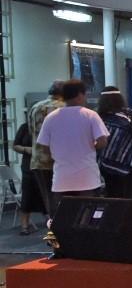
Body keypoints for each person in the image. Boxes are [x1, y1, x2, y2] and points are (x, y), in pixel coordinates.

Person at [35, 79, 108, 217]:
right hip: (87, 177)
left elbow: (43, 146)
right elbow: (102, 141)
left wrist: (59, 153)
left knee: (63, 217)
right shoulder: (90, 115)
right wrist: (91, 146)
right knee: (87, 216)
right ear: (80, 95)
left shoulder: (51, 117)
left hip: (61, 178)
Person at [28, 81, 65, 223]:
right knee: (62, 198)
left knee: (48, 198)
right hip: (58, 159)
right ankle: (61, 227)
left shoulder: (35, 107)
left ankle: (51, 225)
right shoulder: (63, 107)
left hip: (38, 159)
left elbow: (31, 131)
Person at [12, 120, 45, 234]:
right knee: (27, 195)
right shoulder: (25, 127)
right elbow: (15, 145)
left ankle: (52, 222)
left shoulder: (48, 125)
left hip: (45, 165)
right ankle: (24, 226)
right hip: (28, 165)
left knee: (46, 194)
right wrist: (26, 149)